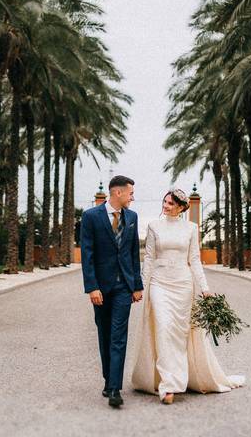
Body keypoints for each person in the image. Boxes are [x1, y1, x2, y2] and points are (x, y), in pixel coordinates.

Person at [130, 187, 245, 404]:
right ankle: (168, 386)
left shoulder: (191, 228)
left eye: (171, 203)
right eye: (164, 202)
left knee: (179, 334)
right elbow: (149, 258)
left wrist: (205, 287)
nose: (165, 206)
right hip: (159, 284)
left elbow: (195, 259)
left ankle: (181, 378)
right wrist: (142, 286)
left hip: (183, 285)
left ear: (182, 207)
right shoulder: (154, 226)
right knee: (163, 328)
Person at [80, 175, 144, 408]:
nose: (133, 197)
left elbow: (133, 253)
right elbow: (87, 255)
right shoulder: (90, 217)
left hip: (123, 288)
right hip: (101, 288)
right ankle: (108, 380)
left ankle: (115, 388)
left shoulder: (133, 217)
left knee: (118, 336)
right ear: (117, 193)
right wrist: (92, 287)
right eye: (130, 193)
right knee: (104, 334)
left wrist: (137, 285)